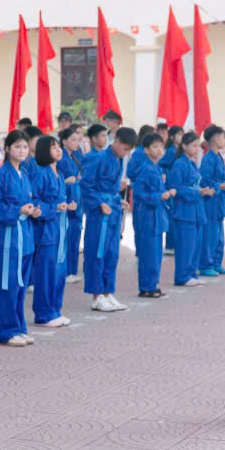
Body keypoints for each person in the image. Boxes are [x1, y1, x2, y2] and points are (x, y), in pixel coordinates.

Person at [0, 131, 38, 347]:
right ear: (7, 149)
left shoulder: (23, 173)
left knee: (20, 286)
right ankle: (7, 331)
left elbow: (30, 199)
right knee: (7, 285)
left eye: (25, 146)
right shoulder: (0, 174)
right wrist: (17, 210)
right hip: (8, 239)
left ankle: (19, 327)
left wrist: (34, 209)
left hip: (24, 237)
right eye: (17, 146)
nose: (22, 151)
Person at [82, 126, 136, 312]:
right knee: (97, 252)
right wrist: (99, 203)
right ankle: (96, 296)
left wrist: (119, 200)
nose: (125, 153)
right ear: (117, 142)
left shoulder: (118, 159)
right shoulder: (98, 158)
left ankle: (107, 292)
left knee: (112, 254)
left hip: (112, 210)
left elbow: (112, 188)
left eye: (128, 150)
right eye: (125, 148)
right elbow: (86, 184)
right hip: (100, 214)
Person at [31, 135, 72, 325]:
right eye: (53, 147)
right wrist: (54, 208)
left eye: (58, 146)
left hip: (59, 229)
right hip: (46, 231)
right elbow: (34, 201)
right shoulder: (41, 173)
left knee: (59, 272)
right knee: (46, 273)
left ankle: (55, 310)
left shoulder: (59, 173)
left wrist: (67, 206)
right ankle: (44, 314)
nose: (58, 150)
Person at [131, 132, 175, 298]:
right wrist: (158, 196)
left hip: (157, 215)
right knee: (148, 253)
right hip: (147, 216)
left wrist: (165, 194)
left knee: (156, 252)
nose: (159, 150)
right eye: (155, 147)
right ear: (146, 150)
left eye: (161, 146)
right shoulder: (145, 168)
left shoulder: (156, 167)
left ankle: (153, 284)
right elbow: (138, 192)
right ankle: (146, 286)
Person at [167, 132, 209, 288]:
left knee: (195, 245)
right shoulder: (179, 164)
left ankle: (191, 273)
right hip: (185, 211)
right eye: (194, 145)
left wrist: (202, 190)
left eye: (198, 146)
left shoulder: (191, 163)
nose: (197, 149)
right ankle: (182, 276)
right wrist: (196, 192)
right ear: (184, 146)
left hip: (196, 210)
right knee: (186, 246)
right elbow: (175, 187)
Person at [199, 125, 225, 277]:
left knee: (219, 235)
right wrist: (221, 186)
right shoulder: (208, 158)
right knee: (210, 235)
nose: (224, 140)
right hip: (210, 202)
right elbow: (205, 181)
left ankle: (216, 263)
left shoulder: (218, 156)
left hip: (219, 202)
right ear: (214, 138)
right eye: (222, 137)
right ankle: (205, 265)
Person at [58, 127, 83, 284]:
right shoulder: (61, 157)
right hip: (67, 199)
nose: (76, 143)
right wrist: (67, 180)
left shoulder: (76, 155)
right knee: (67, 236)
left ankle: (72, 270)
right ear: (64, 141)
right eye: (73, 140)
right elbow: (58, 177)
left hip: (76, 198)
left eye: (77, 140)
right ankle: (65, 271)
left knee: (75, 236)